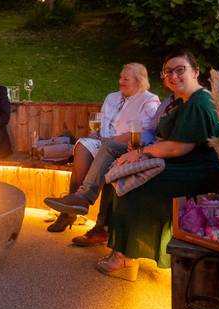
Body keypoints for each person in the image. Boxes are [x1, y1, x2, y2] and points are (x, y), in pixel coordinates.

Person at [95, 50, 219, 281]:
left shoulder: (199, 102)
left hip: (201, 169)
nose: (174, 76)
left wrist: (140, 153)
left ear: (195, 72)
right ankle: (111, 238)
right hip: (183, 160)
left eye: (181, 70)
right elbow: (166, 140)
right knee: (117, 174)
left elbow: (180, 148)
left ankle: (126, 256)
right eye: (169, 71)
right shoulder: (182, 102)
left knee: (132, 184)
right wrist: (140, 153)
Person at [43, 63, 160, 235]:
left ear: (139, 81)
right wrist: (94, 133)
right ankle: (70, 209)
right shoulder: (111, 97)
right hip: (103, 141)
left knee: (107, 160)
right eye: (120, 77)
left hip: (127, 146)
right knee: (82, 145)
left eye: (125, 79)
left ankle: (92, 217)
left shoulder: (148, 100)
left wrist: (112, 139)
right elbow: (101, 124)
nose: (120, 81)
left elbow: (143, 132)